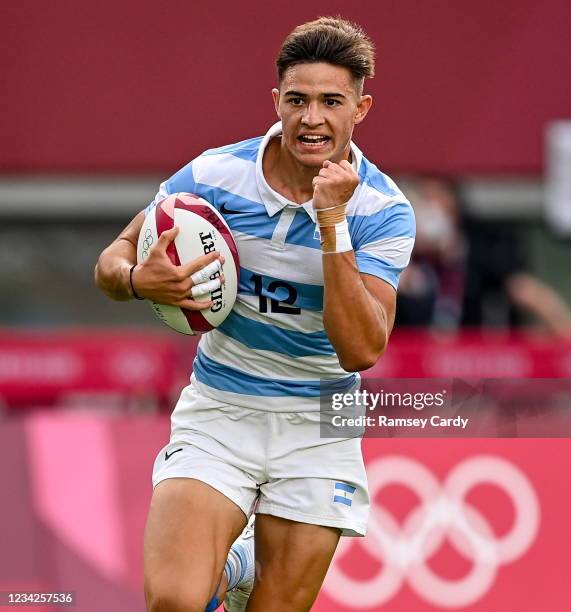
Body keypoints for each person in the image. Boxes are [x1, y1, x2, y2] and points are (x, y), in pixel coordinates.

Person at [95, 16, 415, 612]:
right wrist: (139, 280)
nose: (311, 118)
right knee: (174, 601)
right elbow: (112, 259)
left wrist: (332, 223)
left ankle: (239, 563)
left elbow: (361, 349)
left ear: (361, 108)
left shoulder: (384, 211)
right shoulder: (215, 175)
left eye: (330, 102)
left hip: (320, 420)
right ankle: (232, 556)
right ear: (276, 102)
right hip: (222, 408)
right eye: (297, 100)